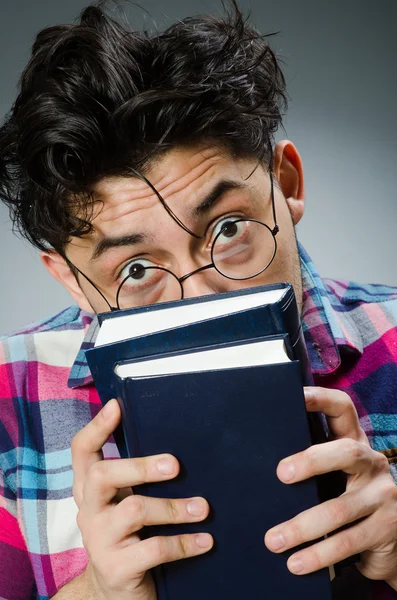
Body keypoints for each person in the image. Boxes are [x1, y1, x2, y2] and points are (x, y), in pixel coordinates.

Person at [0, 2, 397, 599]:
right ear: (71, 279)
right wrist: (100, 593)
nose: (204, 294)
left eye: (229, 229)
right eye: (136, 269)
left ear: (286, 185)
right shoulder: (9, 394)